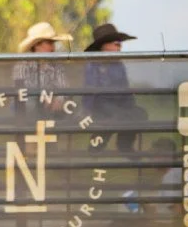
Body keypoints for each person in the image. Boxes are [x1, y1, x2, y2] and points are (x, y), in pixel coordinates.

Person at [83, 22, 146, 152]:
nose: (119, 46)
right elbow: (89, 92)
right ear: (103, 46)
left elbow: (125, 90)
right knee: (115, 116)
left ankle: (124, 145)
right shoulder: (92, 65)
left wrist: (131, 107)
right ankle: (96, 147)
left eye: (119, 44)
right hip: (100, 106)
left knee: (139, 114)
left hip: (118, 106)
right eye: (114, 43)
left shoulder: (119, 65)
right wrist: (86, 111)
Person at [12, 21, 71, 110]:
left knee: (70, 107)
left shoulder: (57, 65)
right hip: (27, 110)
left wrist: (59, 100)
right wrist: (44, 99)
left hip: (52, 111)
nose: (53, 48)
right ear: (37, 45)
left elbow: (64, 89)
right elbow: (21, 93)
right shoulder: (22, 66)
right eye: (49, 43)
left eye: (53, 43)